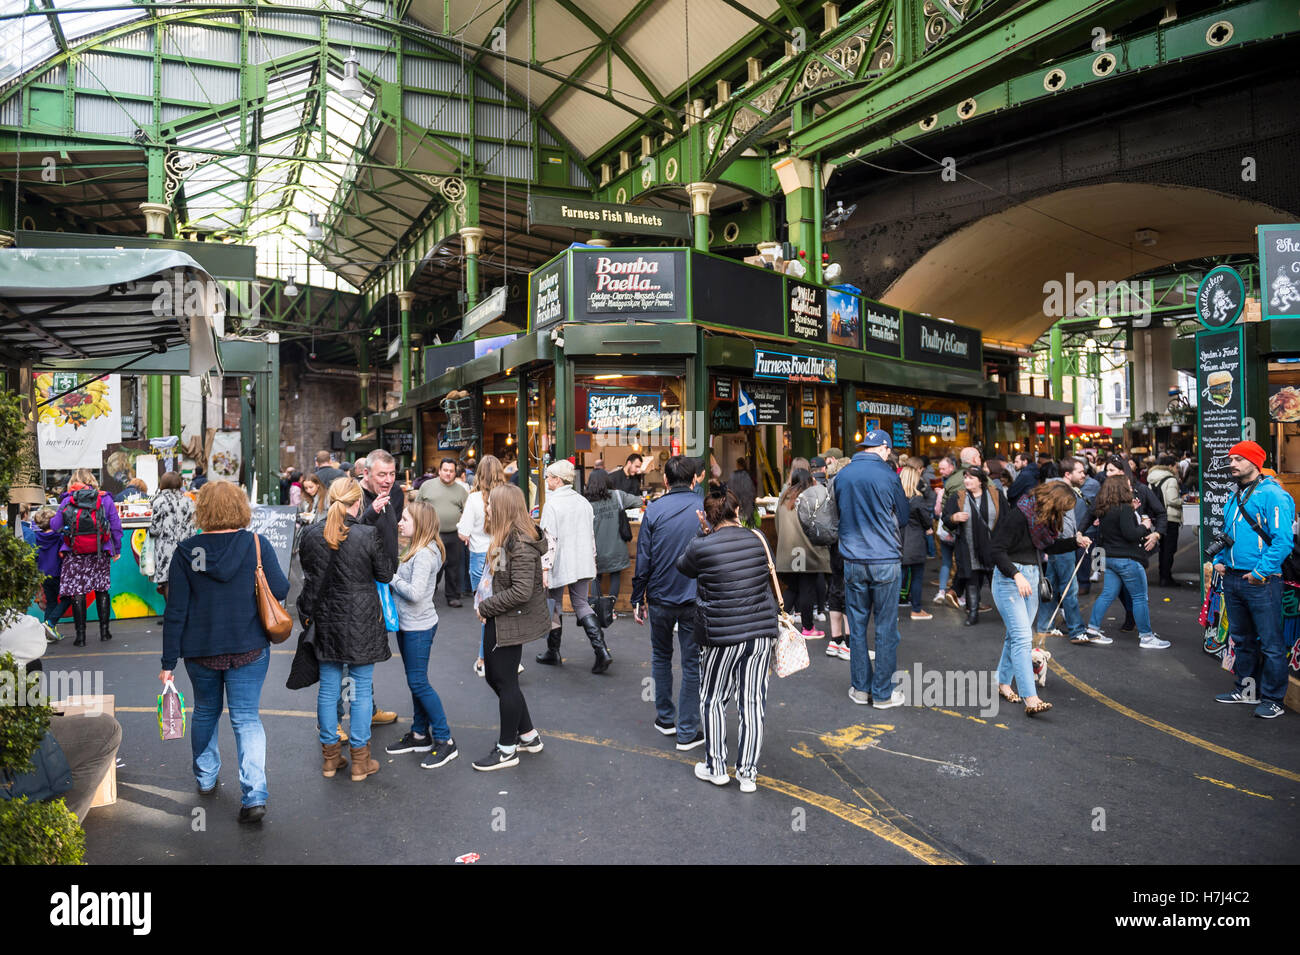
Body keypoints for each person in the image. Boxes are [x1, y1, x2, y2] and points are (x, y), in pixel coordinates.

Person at [159, 481, 290, 822]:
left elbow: (176, 610)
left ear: (202, 509)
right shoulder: (256, 545)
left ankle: (206, 777)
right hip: (249, 646)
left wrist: (168, 661)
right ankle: (255, 795)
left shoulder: (188, 552)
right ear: (240, 507)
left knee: (205, 712)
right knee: (246, 719)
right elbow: (279, 588)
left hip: (201, 650)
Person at [676, 489, 779, 793]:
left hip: (720, 636)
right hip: (760, 632)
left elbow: (683, 566)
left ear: (707, 516)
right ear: (737, 512)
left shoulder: (702, 546)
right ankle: (747, 774)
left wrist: (702, 533)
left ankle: (716, 767)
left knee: (713, 699)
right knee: (752, 703)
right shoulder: (758, 539)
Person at [297, 477, 398, 782]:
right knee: (361, 690)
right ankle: (360, 760)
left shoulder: (311, 534)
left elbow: (309, 576)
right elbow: (385, 573)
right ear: (358, 503)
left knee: (329, 688)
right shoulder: (367, 534)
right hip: (362, 619)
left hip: (326, 620)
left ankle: (330, 759)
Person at [1214, 441, 1294, 718]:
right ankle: (1247, 690)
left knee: (1271, 644)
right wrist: (1218, 560)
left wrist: (1260, 572)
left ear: (1254, 461)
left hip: (1262, 581)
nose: (1232, 464)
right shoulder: (1235, 495)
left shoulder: (1274, 494)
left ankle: (1273, 699)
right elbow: (1226, 534)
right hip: (1234, 579)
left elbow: (1283, 541)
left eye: (1238, 459)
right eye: (1231, 459)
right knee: (1243, 639)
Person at [631, 455, 706, 748]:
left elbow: (644, 559)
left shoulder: (654, 510)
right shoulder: (703, 508)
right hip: (694, 597)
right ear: (694, 479)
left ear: (665, 481)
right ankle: (687, 730)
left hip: (660, 595)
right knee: (692, 664)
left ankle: (665, 718)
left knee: (661, 655)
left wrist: (638, 597)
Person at [473, 483, 549, 769]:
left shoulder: (520, 543)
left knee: (504, 681)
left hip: (510, 617)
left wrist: (485, 607)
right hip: (501, 616)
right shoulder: (503, 537)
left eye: (491, 503)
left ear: (503, 507)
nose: (487, 507)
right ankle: (528, 735)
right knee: (499, 678)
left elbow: (521, 592)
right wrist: (484, 603)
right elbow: (495, 577)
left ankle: (506, 750)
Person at [833, 430, 909, 709]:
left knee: (858, 624)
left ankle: (861, 688)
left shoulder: (842, 475)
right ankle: (882, 693)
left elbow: (835, 514)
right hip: (885, 559)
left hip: (853, 560)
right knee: (886, 627)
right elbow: (903, 516)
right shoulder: (889, 475)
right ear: (884, 448)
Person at [990, 483, 1074, 717]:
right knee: (1023, 638)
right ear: (1054, 503)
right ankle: (1031, 698)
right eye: (1064, 509)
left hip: (1030, 577)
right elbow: (995, 549)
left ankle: (1002, 682)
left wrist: (1075, 542)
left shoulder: (1042, 520)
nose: (1065, 514)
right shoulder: (1019, 516)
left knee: (1016, 636)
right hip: (1010, 580)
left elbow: (1049, 547)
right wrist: (1016, 575)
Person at [385, 500, 458, 766]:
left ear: (421, 524)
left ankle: (444, 739)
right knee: (415, 680)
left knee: (418, 682)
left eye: (405, 518)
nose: (400, 523)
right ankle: (419, 734)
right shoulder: (418, 548)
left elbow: (415, 594)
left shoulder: (425, 553)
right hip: (410, 624)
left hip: (418, 626)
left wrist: (391, 577)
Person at [536, 459, 610, 672]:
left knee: (555, 604)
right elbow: (591, 536)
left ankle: (553, 651)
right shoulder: (583, 502)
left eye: (548, 476)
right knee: (581, 603)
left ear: (558, 480)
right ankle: (602, 650)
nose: (546, 480)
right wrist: (592, 560)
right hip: (582, 561)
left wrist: (544, 569)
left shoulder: (552, 505)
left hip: (560, 563)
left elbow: (548, 541)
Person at [1080, 474, 1168, 649]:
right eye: (1127, 486)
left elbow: (1116, 527)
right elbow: (1130, 534)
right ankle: (1147, 636)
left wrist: (1133, 511)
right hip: (1128, 559)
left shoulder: (1104, 509)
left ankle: (1092, 630)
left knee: (1106, 594)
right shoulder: (1124, 509)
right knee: (1139, 598)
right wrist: (1145, 525)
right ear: (1121, 489)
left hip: (1110, 558)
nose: (1131, 489)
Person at [49, 469, 123, 647]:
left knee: (78, 592)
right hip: (100, 550)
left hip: (74, 552)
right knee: (101, 589)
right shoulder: (105, 498)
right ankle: (105, 632)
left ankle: (80, 637)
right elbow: (115, 525)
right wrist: (116, 549)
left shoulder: (68, 499)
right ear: (91, 480)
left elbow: (55, 525)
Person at [459, 454, 507, 676]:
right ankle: (507, 657)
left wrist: (468, 534)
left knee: (485, 611)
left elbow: (462, 532)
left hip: (480, 554)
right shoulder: (507, 497)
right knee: (501, 605)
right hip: (499, 552)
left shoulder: (474, 499)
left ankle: (483, 659)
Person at [942, 466, 1003, 626]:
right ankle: (973, 613)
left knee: (998, 582)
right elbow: (946, 518)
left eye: (971, 478)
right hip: (968, 546)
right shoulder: (958, 497)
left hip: (993, 547)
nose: (966, 481)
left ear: (980, 481)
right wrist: (954, 517)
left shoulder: (996, 495)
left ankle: (1008, 614)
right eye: (965, 477)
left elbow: (1005, 518)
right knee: (971, 580)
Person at [1035, 458, 1088, 643]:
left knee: (1053, 587)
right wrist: (1074, 539)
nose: (1084, 475)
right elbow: (1059, 523)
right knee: (1069, 589)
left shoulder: (1058, 489)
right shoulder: (1059, 491)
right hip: (1062, 544)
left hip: (1061, 544)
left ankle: (1045, 626)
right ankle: (1076, 630)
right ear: (1068, 474)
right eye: (1080, 471)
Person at [775, 467, 829, 637]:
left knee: (794, 588)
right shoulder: (810, 499)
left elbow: (778, 525)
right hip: (805, 552)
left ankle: (775, 621)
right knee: (806, 590)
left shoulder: (784, 498)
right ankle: (807, 628)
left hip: (787, 553)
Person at [584, 467, 640, 626]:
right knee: (615, 576)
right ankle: (610, 610)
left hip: (595, 550)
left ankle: (595, 611)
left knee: (596, 578)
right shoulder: (618, 496)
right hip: (616, 548)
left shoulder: (586, 502)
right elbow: (639, 501)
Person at [416, 457, 469, 607]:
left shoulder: (461, 490)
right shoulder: (427, 486)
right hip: (432, 534)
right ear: (439, 471)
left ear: (455, 473)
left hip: (454, 534)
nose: (448, 473)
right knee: (432, 566)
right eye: (445, 470)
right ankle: (427, 595)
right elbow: (417, 507)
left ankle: (453, 596)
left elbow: (467, 512)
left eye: (451, 471)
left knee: (453, 566)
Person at [147, 471, 196, 614]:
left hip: (166, 548)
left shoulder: (159, 501)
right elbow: (193, 527)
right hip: (186, 547)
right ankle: (184, 613)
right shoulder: (188, 500)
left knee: (168, 581)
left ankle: (172, 614)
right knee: (183, 579)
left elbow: (154, 529)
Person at [823, 456, 852, 661]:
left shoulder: (829, 485)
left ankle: (835, 639)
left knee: (835, 587)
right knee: (850, 588)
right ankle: (849, 644)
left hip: (832, 543)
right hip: (848, 542)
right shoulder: (846, 486)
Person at [899, 463, 935, 621]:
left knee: (897, 578)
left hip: (897, 541)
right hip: (915, 542)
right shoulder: (917, 500)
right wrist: (928, 528)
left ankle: (892, 613)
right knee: (917, 577)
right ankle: (916, 609)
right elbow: (926, 520)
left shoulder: (895, 498)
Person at [32, 507, 70, 635]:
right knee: (68, 598)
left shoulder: (36, 537)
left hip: (43, 574)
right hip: (58, 572)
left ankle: (47, 632)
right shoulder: (59, 537)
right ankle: (51, 623)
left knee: (51, 602)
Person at [1147, 453, 1183, 586]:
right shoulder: (1171, 479)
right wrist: (1183, 500)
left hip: (1158, 517)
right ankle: (1166, 577)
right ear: (1170, 466)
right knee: (1170, 549)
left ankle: (1163, 575)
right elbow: (1172, 499)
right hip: (1171, 517)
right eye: (1175, 466)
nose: (1177, 470)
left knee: (1163, 548)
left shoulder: (1151, 478)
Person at [728, 456, 757, 525]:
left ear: (738, 465)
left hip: (736, 507)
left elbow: (730, 490)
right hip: (748, 507)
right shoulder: (749, 474)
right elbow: (753, 490)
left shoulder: (733, 475)